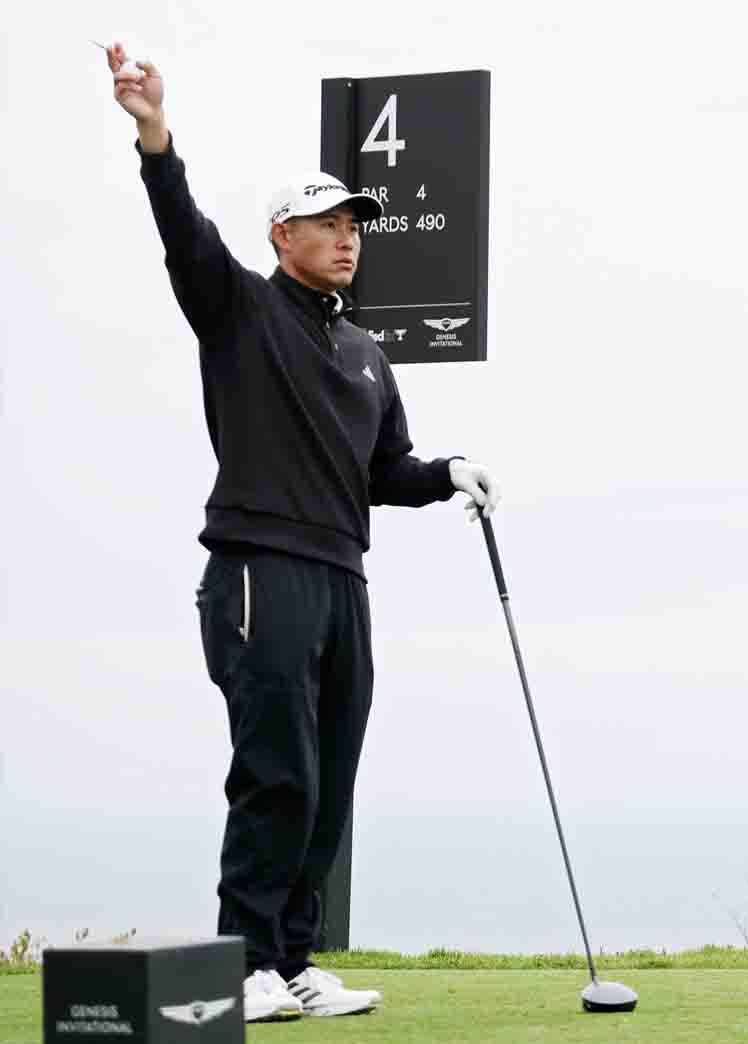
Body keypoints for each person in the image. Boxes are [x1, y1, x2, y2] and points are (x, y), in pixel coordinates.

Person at [105, 45, 501, 1021]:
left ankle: (291, 962)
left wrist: (448, 474)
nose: (346, 237)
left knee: (328, 778)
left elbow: (384, 475)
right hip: (257, 569)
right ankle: (244, 963)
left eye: (353, 224)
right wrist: (156, 138)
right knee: (274, 771)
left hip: (342, 578)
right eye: (326, 223)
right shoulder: (239, 310)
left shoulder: (366, 353)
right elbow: (183, 238)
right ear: (283, 235)